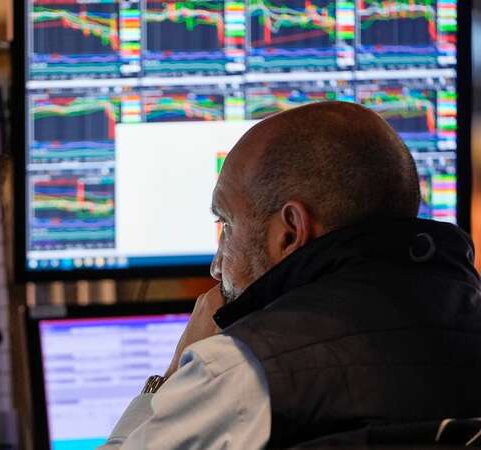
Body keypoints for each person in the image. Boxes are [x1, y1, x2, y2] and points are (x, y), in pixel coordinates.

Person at [99, 101, 481, 449]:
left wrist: (168, 378)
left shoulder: (240, 370)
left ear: (291, 231)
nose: (216, 265)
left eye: (226, 224)